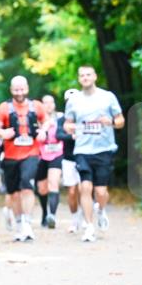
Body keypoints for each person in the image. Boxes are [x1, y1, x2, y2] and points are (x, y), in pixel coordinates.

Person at [63, 66, 124, 242]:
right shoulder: (73, 101)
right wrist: (71, 127)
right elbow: (67, 124)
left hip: (104, 149)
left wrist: (111, 121)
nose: (85, 78)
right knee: (85, 188)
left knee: (101, 191)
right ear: (79, 79)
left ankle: (101, 210)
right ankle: (89, 227)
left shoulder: (107, 97)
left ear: (95, 77)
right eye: (82, 75)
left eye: (88, 74)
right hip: (82, 150)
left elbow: (120, 121)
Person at [0, 76, 45, 242]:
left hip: (31, 153)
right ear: (11, 90)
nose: (19, 92)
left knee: (27, 185)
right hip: (10, 156)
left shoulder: (36, 106)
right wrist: (2, 133)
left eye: (22, 89)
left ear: (27, 89)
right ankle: (19, 223)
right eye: (16, 89)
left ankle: (27, 223)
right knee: (14, 193)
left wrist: (43, 130)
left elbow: (47, 120)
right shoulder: (4, 107)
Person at [34, 94, 64, 228]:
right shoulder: (36, 119)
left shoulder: (61, 118)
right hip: (40, 155)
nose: (48, 105)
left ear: (54, 105)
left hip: (57, 154)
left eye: (51, 102)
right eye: (45, 103)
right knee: (42, 188)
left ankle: (52, 215)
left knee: (53, 184)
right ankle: (44, 213)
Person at [56, 89, 83, 233]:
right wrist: (72, 137)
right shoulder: (62, 119)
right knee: (72, 191)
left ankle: (86, 218)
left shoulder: (85, 116)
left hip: (84, 157)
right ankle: (74, 220)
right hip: (68, 159)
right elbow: (58, 134)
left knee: (85, 189)